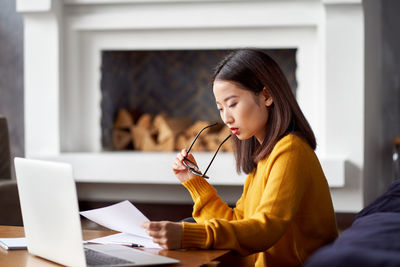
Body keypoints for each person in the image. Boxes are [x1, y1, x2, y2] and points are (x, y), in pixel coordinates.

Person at [142, 49, 338, 267]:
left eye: (232, 104)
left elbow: (266, 229)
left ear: (266, 95)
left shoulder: (291, 151)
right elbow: (239, 223)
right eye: (220, 108)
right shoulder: (265, 156)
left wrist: (188, 235)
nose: (226, 117)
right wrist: (193, 181)